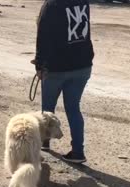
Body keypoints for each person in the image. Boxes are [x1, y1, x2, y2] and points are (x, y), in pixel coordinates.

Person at [34, 0, 94, 164]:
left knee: (47, 108)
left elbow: (42, 37)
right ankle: (78, 152)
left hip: (56, 68)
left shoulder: (51, 5)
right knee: (74, 108)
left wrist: (39, 65)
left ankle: (44, 142)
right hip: (83, 65)